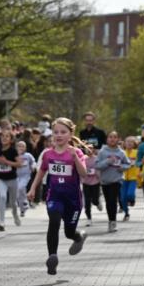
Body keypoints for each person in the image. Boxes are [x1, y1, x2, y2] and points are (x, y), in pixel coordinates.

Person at [28, 117, 88, 276]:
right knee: (54, 222)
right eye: (56, 132)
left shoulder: (77, 152)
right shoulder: (48, 154)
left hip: (73, 200)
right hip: (54, 196)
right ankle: (52, 257)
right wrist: (33, 188)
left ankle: (78, 237)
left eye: (63, 132)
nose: (59, 135)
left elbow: (84, 174)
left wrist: (75, 158)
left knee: (69, 232)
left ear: (70, 134)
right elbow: (41, 172)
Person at [95, 132, 131, 233]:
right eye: (110, 137)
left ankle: (113, 222)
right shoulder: (102, 152)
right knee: (108, 202)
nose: (112, 139)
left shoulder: (121, 152)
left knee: (113, 200)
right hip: (105, 181)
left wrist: (122, 167)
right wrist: (107, 161)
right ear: (107, 139)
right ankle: (110, 220)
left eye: (115, 137)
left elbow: (128, 164)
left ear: (118, 139)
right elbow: (97, 166)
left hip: (117, 180)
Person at [0, 129, 22, 231]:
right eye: (2, 136)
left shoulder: (13, 150)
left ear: (11, 140)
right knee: (2, 197)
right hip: (1, 179)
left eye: (7, 136)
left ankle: (15, 215)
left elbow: (19, 164)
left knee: (13, 203)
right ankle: (2, 222)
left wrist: (6, 162)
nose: (4, 138)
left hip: (13, 180)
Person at [120, 135, 140, 221]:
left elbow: (141, 163)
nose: (129, 143)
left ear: (134, 143)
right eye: (127, 141)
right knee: (122, 198)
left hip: (133, 177)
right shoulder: (121, 152)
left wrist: (140, 172)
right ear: (124, 143)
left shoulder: (137, 152)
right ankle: (126, 213)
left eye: (131, 142)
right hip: (122, 178)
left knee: (130, 194)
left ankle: (132, 200)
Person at [80, 146, 100, 227]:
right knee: (87, 201)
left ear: (94, 150)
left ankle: (97, 202)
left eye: (91, 148)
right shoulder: (83, 159)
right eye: (87, 148)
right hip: (86, 183)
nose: (89, 150)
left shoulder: (97, 159)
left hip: (95, 182)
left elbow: (100, 168)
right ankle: (89, 218)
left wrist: (99, 175)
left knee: (95, 200)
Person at [15, 140, 36, 214]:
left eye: (23, 146)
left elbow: (33, 161)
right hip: (16, 176)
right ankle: (23, 208)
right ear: (16, 147)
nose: (21, 147)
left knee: (21, 187)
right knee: (18, 192)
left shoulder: (28, 155)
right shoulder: (14, 155)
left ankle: (25, 202)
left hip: (25, 176)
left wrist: (33, 166)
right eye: (19, 146)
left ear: (25, 148)